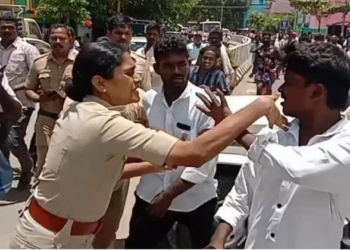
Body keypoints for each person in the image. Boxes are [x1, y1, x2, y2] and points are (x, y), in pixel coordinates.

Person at [9, 41, 284, 249]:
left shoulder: (78, 107)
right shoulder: (106, 122)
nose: (137, 80)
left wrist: (156, 165)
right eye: (129, 73)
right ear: (100, 83)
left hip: (65, 234)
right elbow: (196, 152)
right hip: (51, 239)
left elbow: (107, 172)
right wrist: (260, 105)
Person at [208, 42, 350, 249]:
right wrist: (218, 240)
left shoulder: (344, 146)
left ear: (317, 92)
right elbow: (242, 193)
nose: (281, 89)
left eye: (289, 83)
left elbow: (297, 167)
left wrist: (236, 128)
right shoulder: (274, 138)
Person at [125, 38, 218, 249]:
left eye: (182, 64)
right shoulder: (148, 100)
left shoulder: (205, 103)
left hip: (195, 198)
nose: (177, 71)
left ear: (189, 63)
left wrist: (169, 196)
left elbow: (206, 160)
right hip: (151, 193)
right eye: (168, 66)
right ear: (157, 68)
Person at [25, 24, 76, 180]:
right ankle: (39, 195)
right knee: (44, 160)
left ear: (71, 40)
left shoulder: (82, 62)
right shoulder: (39, 62)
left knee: (69, 160)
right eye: (54, 38)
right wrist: (38, 98)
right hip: (46, 119)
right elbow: (28, 89)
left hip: (72, 120)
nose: (57, 41)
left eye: (62, 38)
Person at [0, 16, 40, 187]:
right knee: (2, 142)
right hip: (1, 103)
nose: (7, 30)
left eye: (10, 27)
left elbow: (38, 73)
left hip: (21, 103)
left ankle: (27, 167)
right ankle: (5, 177)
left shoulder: (27, 49)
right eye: (3, 27)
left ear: (17, 29)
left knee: (13, 140)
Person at [136, 23, 163, 91]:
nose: (152, 37)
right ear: (145, 35)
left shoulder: (162, 55)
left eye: (155, 34)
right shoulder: (138, 53)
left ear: (160, 36)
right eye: (149, 34)